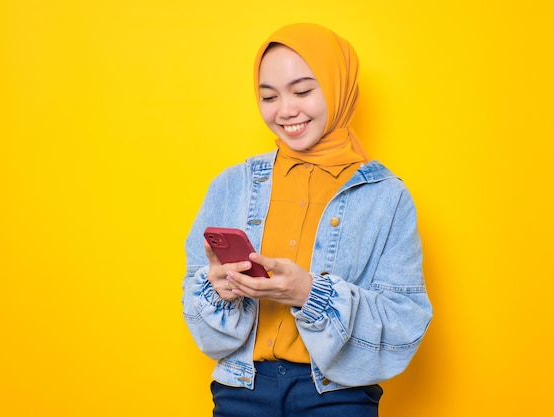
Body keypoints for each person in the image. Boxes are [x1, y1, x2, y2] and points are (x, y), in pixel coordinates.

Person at [182, 22, 432, 417]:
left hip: (338, 396)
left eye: (302, 91)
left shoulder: (387, 197)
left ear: (337, 86)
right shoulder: (231, 185)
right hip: (241, 389)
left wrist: (309, 293)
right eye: (268, 96)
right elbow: (198, 307)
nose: (285, 110)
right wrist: (218, 291)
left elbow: (404, 321)